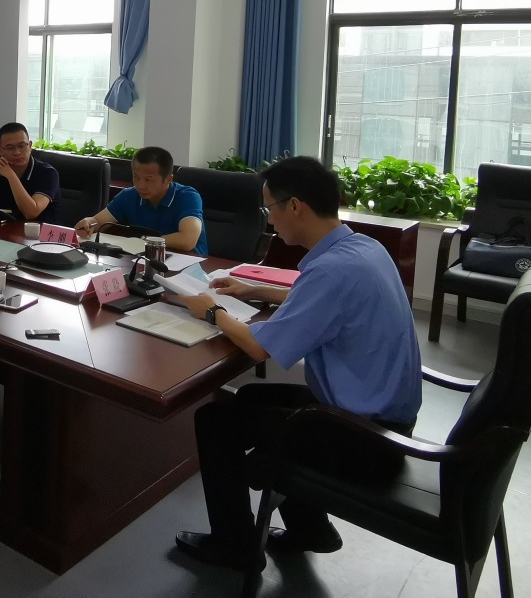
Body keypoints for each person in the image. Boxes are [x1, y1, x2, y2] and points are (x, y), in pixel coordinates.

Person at [171, 155, 422, 571]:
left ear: (295, 206)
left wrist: (212, 311)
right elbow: (327, 303)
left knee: (215, 421)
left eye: (270, 207)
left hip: (364, 439)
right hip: (385, 419)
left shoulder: (329, 272)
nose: (269, 219)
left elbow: (258, 348)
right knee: (251, 397)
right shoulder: (363, 248)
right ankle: (311, 530)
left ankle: (235, 547)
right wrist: (254, 290)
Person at [73, 146, 207, 256]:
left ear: (168, 179)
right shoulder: (129, 195)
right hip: (143, 259)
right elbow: (98, 222)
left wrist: (144, 241)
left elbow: (188, 240)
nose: (140, 185)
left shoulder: (187, 197)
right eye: (136, 177)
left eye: (148, 180)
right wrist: (88, 223)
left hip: (187, 265)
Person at [0, 122, 61, 222]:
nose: (17, 152)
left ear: (30, 146)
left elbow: (31, 213)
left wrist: (10, 175)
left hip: (41, 231)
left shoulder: (48, 173)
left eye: (22, 146)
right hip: (7, 228)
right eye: (10, 148)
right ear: (0, 151)